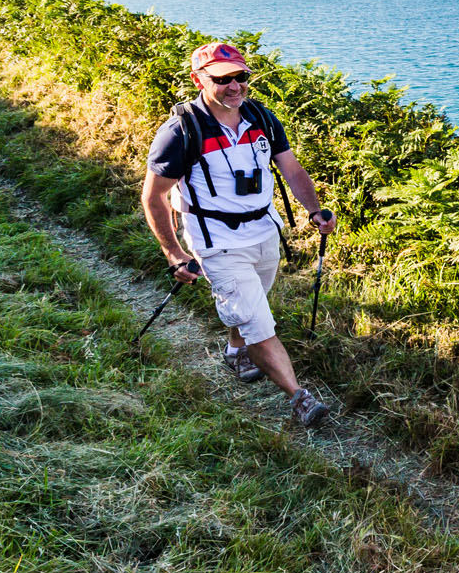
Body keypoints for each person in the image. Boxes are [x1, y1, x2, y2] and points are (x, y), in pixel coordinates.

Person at [141, 41, 336, 428]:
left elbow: (292, 170)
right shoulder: (181, 131)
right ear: (199, 80)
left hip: (264, 230)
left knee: (251, 304)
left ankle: (235, 351)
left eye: (242, 77)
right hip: (215, 239)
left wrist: (314, 210)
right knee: (257, 322)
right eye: (223, 79)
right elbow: (154, 196)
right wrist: (173, 252)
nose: (235, 86)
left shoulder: (261, 118)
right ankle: (300, 397)